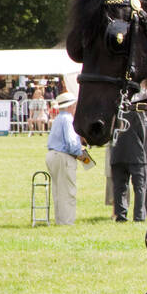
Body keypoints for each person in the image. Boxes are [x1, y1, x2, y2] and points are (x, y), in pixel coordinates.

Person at [45, 93, 91, 225]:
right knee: (68, 191)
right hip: (63, 157)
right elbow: (71, 143)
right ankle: (66, 222)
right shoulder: (68, 119)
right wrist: (81, 154)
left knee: (58, 190)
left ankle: (60, 220)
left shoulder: (59, 118)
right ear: (72, 106)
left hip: (52, 155)